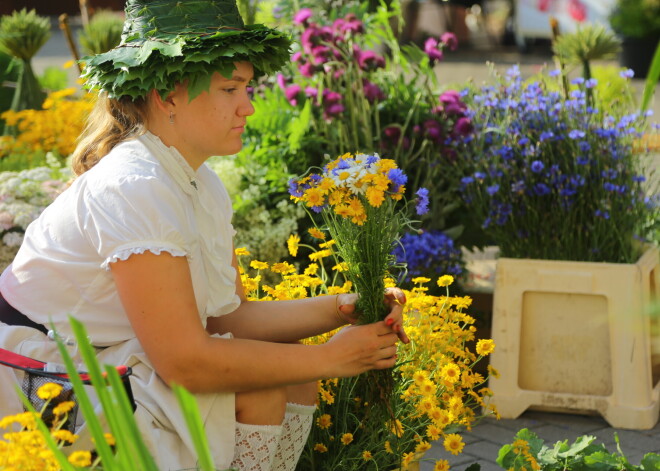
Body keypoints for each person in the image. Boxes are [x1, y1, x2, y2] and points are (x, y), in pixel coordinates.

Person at [0, 1, 409, 470]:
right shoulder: (135, 184)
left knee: (291, 372)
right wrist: (333, 359)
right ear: (167, 96)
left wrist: (343, 309)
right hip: (42, 375)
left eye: (248, 87)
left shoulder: (197, 180)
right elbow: (185, 362)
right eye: (230, 88)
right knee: (265, 384)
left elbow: (227, 317)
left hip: (107, 355)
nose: (248, 106)